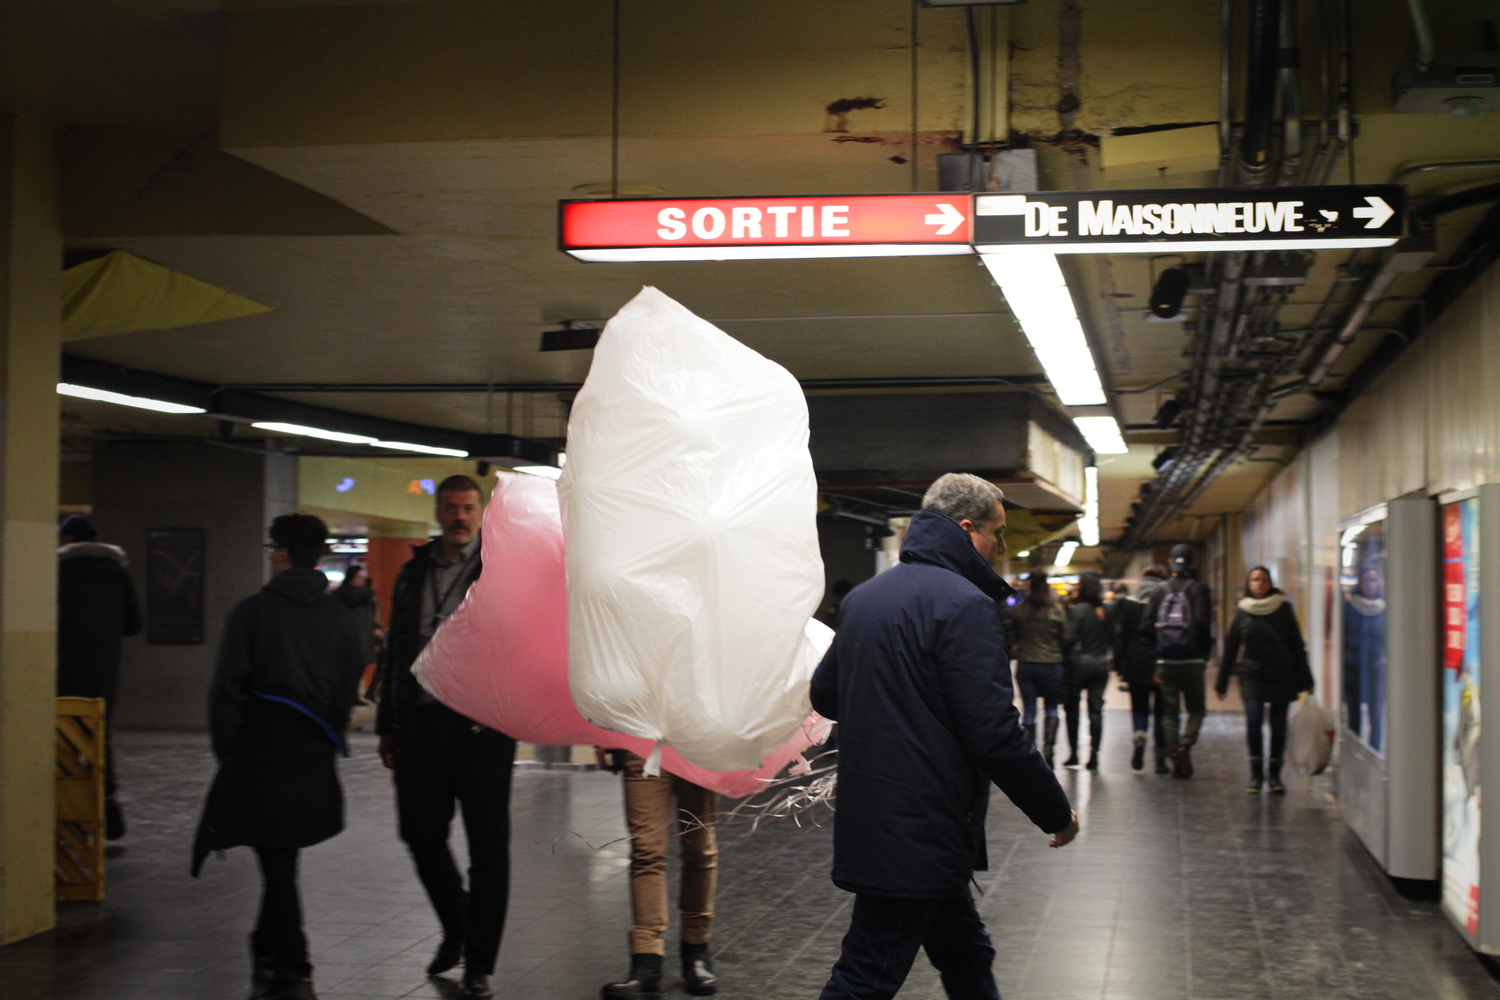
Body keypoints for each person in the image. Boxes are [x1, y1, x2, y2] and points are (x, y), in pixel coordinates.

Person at [810, 472, 1078, 1000]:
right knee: (866, 973)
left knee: (965, 952)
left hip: (883, 815)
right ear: (966, 528)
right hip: (924, 823)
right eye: (996, 533)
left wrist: (890, 705)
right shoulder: (965, 604)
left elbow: (826, 695)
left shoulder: (865, 599)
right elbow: (995, 732)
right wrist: (1055, 811)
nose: (1002, 546)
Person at [191, 514, 365, 1000]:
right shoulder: (340, 619)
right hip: (313, 753)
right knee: (282, 857)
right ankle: (267, 950)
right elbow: (348, 685)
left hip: (261, 750)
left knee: (278, 861)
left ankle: (294, 963)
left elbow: (224, 691)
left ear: (283, 553)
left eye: (273, 549)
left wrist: (229, 750)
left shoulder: (251, 613)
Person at [375, 475, 515, 999]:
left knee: (488, 849)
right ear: (438, 512)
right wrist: (389, 723)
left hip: (483, 729)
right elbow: (395, 651)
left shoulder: (499, 570)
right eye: (451, 508)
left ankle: (479, 964)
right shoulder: (412, 574)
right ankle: (458, 924)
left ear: (481, 513)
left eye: (468, 508)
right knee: (419, 835)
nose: (459, 517)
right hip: (422, 724)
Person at [599, 753, 720, 999]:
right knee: (645, 851)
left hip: (698, 742)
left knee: (698, 849)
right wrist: (603, 732)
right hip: (642, 741)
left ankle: (696, 949)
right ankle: (646, 961)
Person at [56, 514, 142, 840]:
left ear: (68, 539)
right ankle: (107, 808)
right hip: (104, 676)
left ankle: (68, 816)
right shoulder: (118, 574)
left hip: (62, 675)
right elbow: (134, 624)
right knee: (99, 741)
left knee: (63, 744)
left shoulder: (58, 572)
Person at [1216, 567, 1315, 794]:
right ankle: (1255, 773)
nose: (1259, 583)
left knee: (1278, 728)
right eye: (1254, 580)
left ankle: (1274, 776)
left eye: (1263, 579)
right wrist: (1221, 684)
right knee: (1254, 722)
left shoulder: (1284, 609)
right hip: (1252, 676)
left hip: (1282, 675)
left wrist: (1307, 679)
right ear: (1248, 585)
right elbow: (1231, 649)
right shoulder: (1242, 612)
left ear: (1270, 583)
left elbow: (1297, 647)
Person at [1138, 545, 1214, 778]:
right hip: (1191, 660)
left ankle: (1173, 757)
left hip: (1165, 661)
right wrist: (1203, 655)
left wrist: (1158, 654)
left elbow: (1146, 627)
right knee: (1197, 710)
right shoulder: (1199, 589)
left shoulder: (1159, 590)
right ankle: (1185, 744)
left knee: (1169, 714)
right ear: (1192, 563)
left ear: (1170, 561)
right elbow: (1203, 624)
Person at [1113, 567, 1169, 773]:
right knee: (1162, 711)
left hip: (1136, 658)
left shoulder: (1129, 603)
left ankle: (1139, 735)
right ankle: (1161, 759)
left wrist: (1122, 666)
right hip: (1161, 659)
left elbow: (1122, 637)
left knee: (1139, 706)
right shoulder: (1166, 600)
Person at [1011, 569, 1069, 768]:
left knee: (1029, 709)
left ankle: (1031, 752)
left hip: (1026, 663)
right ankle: (1049, 749)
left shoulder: (1020, 609)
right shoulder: (1057, 609)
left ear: (1029, 586)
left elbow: (1014, 635)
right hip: (1052, 664)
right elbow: (1065, 637)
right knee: (1052, 707)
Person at [1062, 571, 1111, 771]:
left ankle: (1074, 753)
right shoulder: (1106, 610)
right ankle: (1094, 756)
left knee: (1072, 710)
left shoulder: (1077, 610)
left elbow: (1069, 638)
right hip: (1102, 665)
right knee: (1096, 712)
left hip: (1079, 666)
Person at [333, 564, 381, 697]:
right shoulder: (348, 594)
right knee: (350, 673)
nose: (363, 580)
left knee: (358, 671)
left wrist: (376, 628)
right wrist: (370, 590)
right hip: (352, 641)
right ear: (350, 580)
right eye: (359, 577)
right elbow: (357, 593)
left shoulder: (363, 600)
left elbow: (370, 619)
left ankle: (353, 696)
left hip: (363, 640)